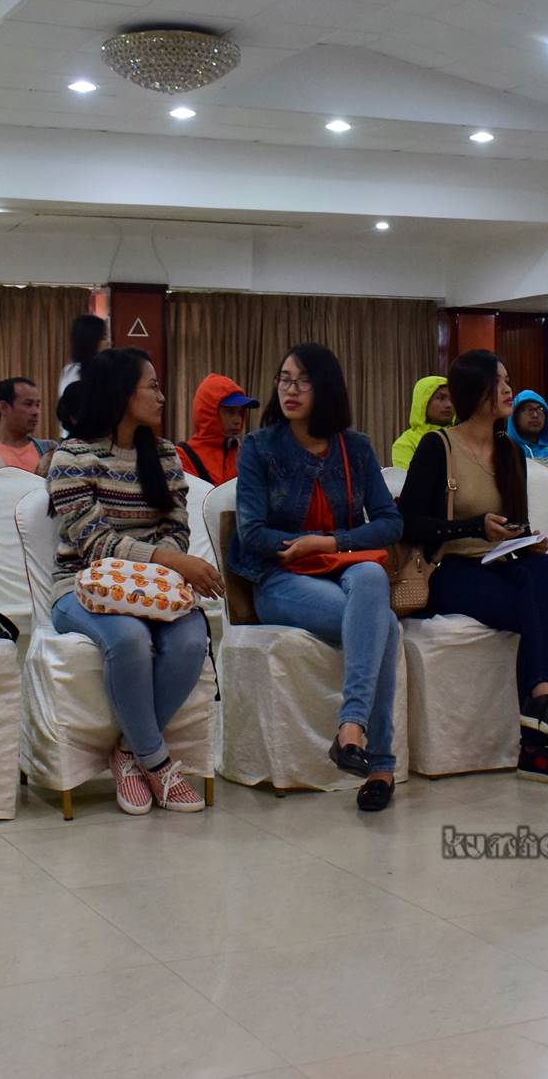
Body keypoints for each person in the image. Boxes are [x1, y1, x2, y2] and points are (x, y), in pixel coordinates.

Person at [399, 351, 548, 786]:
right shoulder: (438, 447)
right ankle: (537, 743)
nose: (508, 390)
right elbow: (408, 523)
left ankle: (541, 697)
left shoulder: (509, 451)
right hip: (446, 570)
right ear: (476, 390)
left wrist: (526, 537)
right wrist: (473, 526)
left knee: (546, 569)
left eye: (508, 380)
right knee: (532, 604)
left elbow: (513, 520)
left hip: (495, 563)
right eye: (499, 381)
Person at [231, 343, 405, 812]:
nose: (290, 390)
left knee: (371, 575)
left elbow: (390, 523)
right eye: (284, 379)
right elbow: (251, 532)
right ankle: (380, 761)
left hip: (340, 567)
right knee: (385, 625)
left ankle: (350, 730)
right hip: (280, 577)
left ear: (325, 387)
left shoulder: (355, 447)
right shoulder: (260, 447)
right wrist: (302, 545)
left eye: (303, 381)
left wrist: (329, 544)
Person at [48, 349, 218, 815]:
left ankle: (127, 751)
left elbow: (176, 529)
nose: (162, 397)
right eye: (152, 386)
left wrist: (165, 564)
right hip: (80, 587)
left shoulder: (163, 454)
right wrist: (172, 562)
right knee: (128, 638)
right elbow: (94, 545)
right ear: (123, 393)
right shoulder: (72, 456)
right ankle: (157, 763)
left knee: (191, 641)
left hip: (154, 590)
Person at [174, 373, 258, 485]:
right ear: (209, 412)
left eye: (240, 412)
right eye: (230, 412)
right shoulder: (183, 457)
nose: (238, 420)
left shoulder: (244, 454)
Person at [0, 376, 56, 475]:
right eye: (28, 404)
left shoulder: (50, 450)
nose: (36, 412)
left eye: (37, 405)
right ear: (3, 407)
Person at [504, 389, 548, 477]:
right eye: (529, 409)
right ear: (515, 417)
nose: (535, 415)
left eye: (540, 409)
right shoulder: (508, 452)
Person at [390, 376, 454, 470]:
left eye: (452, 399)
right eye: (441, 398)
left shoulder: (462, 437)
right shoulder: (406, 443)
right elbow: (408, 478)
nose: (449, 405)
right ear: (423, 402)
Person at [59, 314, 108, 433]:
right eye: (103, 338)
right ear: (91, 341)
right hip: (79, 436)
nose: (109, 342)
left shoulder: (104, 370)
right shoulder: (74, 372)